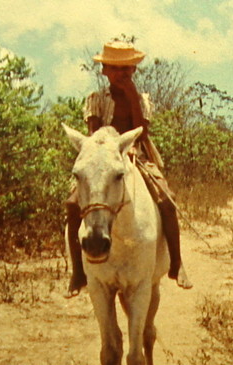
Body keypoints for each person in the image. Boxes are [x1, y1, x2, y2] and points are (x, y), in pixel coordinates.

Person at [65, 41, 191, 297]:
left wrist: (132, 95)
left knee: (166, 200)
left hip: (138, 154)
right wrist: (111, 150)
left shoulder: (142, 99)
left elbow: (142, 129)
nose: (122, 74)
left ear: (134, 70)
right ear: (105, 71)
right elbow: (94, 136)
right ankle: (78, 271)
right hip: (103, 159)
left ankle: (176, 263)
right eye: (116, 68)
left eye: (127, 69)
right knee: (72, 203)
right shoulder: (96, 99)